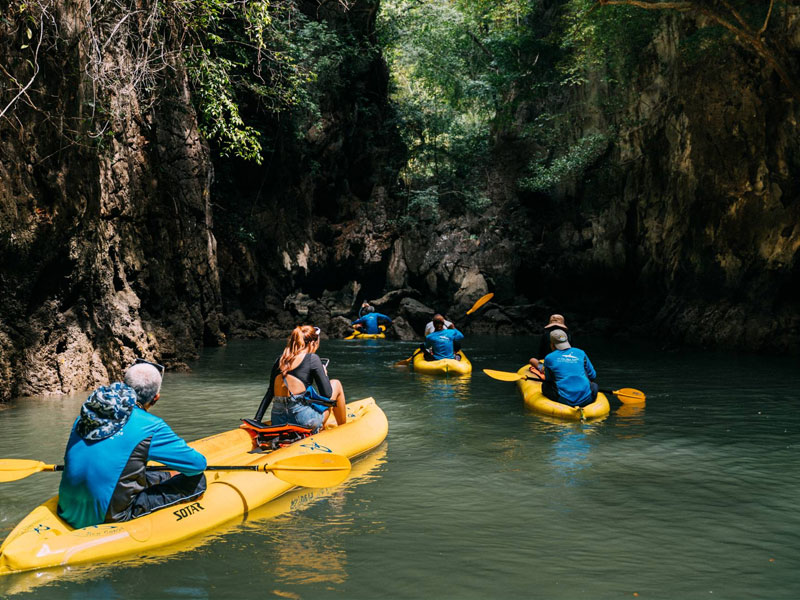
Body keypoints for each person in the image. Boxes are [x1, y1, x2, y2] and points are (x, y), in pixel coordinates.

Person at [57, 359, 207, 530]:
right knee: (198, 480)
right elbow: (197, 465)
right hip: (111, 517)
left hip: (66, 507)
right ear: (155, 398)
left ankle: (164, 476)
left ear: (124, 384)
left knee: (147, 471)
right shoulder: (151, 426)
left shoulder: (86, 415)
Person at [254, 325, 347, 431]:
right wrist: (324, 374)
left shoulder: (280, 360)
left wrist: (257, 420)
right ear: (312, 343)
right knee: (336, 383)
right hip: (302, 421)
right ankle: (343, 429)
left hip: (278, 420)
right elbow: (327, 395)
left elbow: (270, 393)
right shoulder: (313, 359)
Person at [535, 329, 598, 408]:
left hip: (563, 399)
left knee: (545, 385)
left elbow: (549, 379)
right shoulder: (581, 353)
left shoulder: (549, 358)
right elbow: (592, 376)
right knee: (594, 385)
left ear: (552, 345)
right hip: (586, 399)